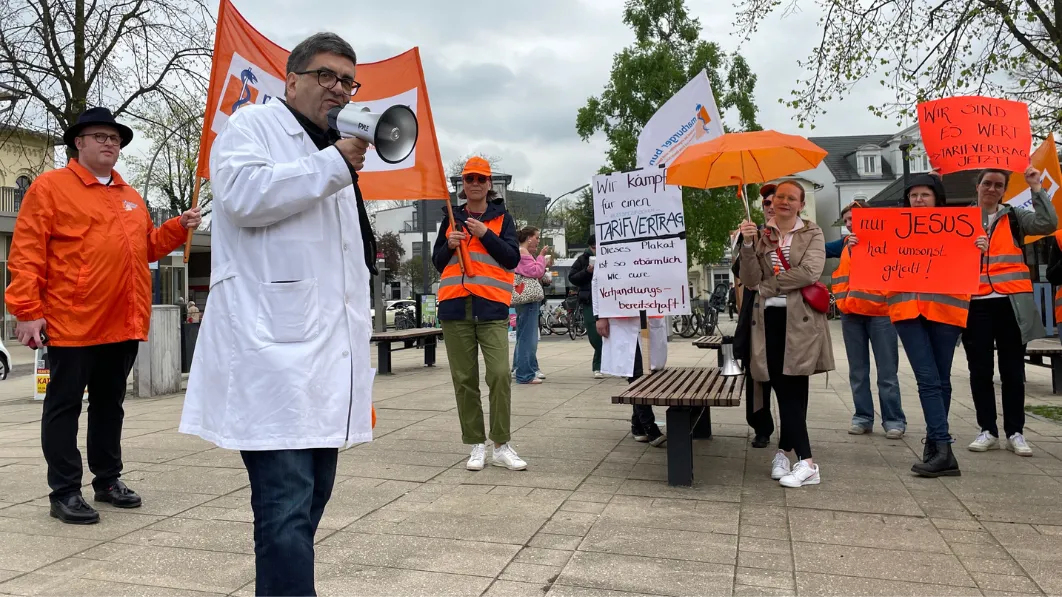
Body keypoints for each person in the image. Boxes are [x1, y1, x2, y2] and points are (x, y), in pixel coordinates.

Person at [178, 33, 377, 597]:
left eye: (347, 80)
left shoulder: (338, 151)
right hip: (272, 358)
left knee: (308, 504)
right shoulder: (250, 128)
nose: (338, 89)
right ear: (290, 80)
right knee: (286, 515)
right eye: (326, 76)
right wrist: (333, 165)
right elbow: (241, 196)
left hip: (323, 364)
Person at [6, 106, 201, 525]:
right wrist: (26, 310)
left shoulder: (130, 196)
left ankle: (108, 480)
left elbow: (145, 249)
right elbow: (26, 252)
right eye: (100, 136)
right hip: (72, 321)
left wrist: (177, 227)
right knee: (64, 407)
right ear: (78, 142)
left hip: (122, 320)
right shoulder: (49, 188)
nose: (109, 143)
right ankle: (64, 491)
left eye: (114, 138)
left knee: (110, 405)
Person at [737, 181, 834, 488]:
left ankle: (806, 462)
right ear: (772, 201)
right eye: (780, 197)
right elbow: (748, 277)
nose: (784, 202)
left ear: (800, 204)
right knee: (783, 389)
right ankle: (785, 453)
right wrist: (749, 245)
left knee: (793, 390)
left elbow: (809, 272)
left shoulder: (812, 232)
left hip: (801, 323)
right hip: (767, 322)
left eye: (792, 198)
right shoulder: (761, 235)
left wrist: (767, 287)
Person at [433, 156, 525, 472]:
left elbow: (512, 259)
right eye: (468, 179)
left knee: (499, 374)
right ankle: (476, 443)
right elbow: (437, 261)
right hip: (455, 306)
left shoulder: (503, 219)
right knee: (464, 379)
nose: (474, 184)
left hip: (491, 307)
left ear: (489, 184)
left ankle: (501, 444)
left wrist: (486, 234)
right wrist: (448, 243)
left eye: (480, 179)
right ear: (462, 185)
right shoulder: (450, 216)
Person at [963, 166, 1055, 456]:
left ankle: (1016, 432)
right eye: (987, 183)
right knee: (980, 371)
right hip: (975, 305)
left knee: (1013, 372)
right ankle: (987, 430)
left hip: (1011, 304)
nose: (992, 189)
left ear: (1004, 190)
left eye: (998, 185)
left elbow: (1048, 223)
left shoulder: (1015, 215)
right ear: (977, 186)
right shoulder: (960, 219)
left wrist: (1036, 188)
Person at [886, 174, 972, 478]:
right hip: (908, 311)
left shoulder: (958, 227)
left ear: (938, 199)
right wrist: (859, 243)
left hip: (945, 311)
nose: (918, 200)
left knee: (940, 380)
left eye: (925, 195)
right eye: (913, 196)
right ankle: (942, 448)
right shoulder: (894, 229)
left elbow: (969, 259)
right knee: (928, 379)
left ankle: (938, 448)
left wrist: (979, 245)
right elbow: (877, 260)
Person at [831, 199, 905, 438]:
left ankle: (893, 420)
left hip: (881, 314)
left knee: (887, 372)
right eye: (847, 221)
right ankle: (862, 417)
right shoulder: (845, 244)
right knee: (858, 371)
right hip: (851, 314)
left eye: (853, 218)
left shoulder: (888, 241)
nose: (850, 224)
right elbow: (813, 248)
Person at [733, 184, 778, 448]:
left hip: (785, 313)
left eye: (775, 201)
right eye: (766, 204)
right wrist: (746, 241)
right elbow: (741, 272)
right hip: (755, 313)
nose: (771, 207)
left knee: (786, 375)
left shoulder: (795, 235)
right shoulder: (751, 233)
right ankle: (761, 426)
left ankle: (794, 426)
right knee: (757, 374)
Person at [513, 226, 550, 384]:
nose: (538, 240)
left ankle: (519, 368)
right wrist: (542, 257)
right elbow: (536, 272)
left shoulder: (518, 251)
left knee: (522, 336)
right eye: (537, 237)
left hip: (522, 298)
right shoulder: (523, 252)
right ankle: (525, 373)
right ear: (529, 238)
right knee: (529, 337)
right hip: (529, 299)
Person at [569, 235, 602, 378]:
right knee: (594, 333)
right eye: (594, 248)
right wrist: (587, 272)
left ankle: (600, 365)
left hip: (607, 299)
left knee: (612, 333)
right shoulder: (582, 260)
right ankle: (599, 365)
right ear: (589, 247)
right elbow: (573, 277)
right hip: (589, 300)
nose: (596, 251)